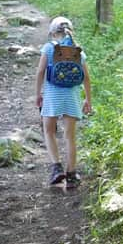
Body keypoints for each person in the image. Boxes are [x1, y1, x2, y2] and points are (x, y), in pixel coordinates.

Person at [35, 16, 92, 188]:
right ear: (70, 31)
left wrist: (38, 94)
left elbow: (40, 72)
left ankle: (56, 168)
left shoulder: (49, 48)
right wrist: (88, 100)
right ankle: (72, 174)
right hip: (72, 97)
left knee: (49, 131)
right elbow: (86, 78)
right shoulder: (78, 51)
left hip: (52, 96)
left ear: (52, 32)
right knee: (70, 136)